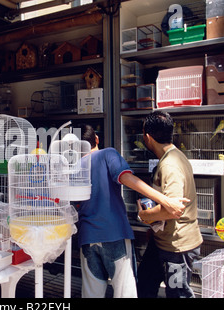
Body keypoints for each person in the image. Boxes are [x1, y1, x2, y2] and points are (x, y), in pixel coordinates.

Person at [77, 124, 188, 298]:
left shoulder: (73, 167)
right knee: (124, 292)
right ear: (97, 139)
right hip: (114, 234)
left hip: (87, 237)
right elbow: (127, 178)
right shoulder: (108, 154)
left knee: (91, 293)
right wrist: (165, 200)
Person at [136, 110, 203, 298]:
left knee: (178, 294)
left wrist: (145, 216)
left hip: (177, 247)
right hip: (162, 241)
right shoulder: (173, 157)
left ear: (147, 137)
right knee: (145, 283)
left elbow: (172, 210)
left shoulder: (170, 164)